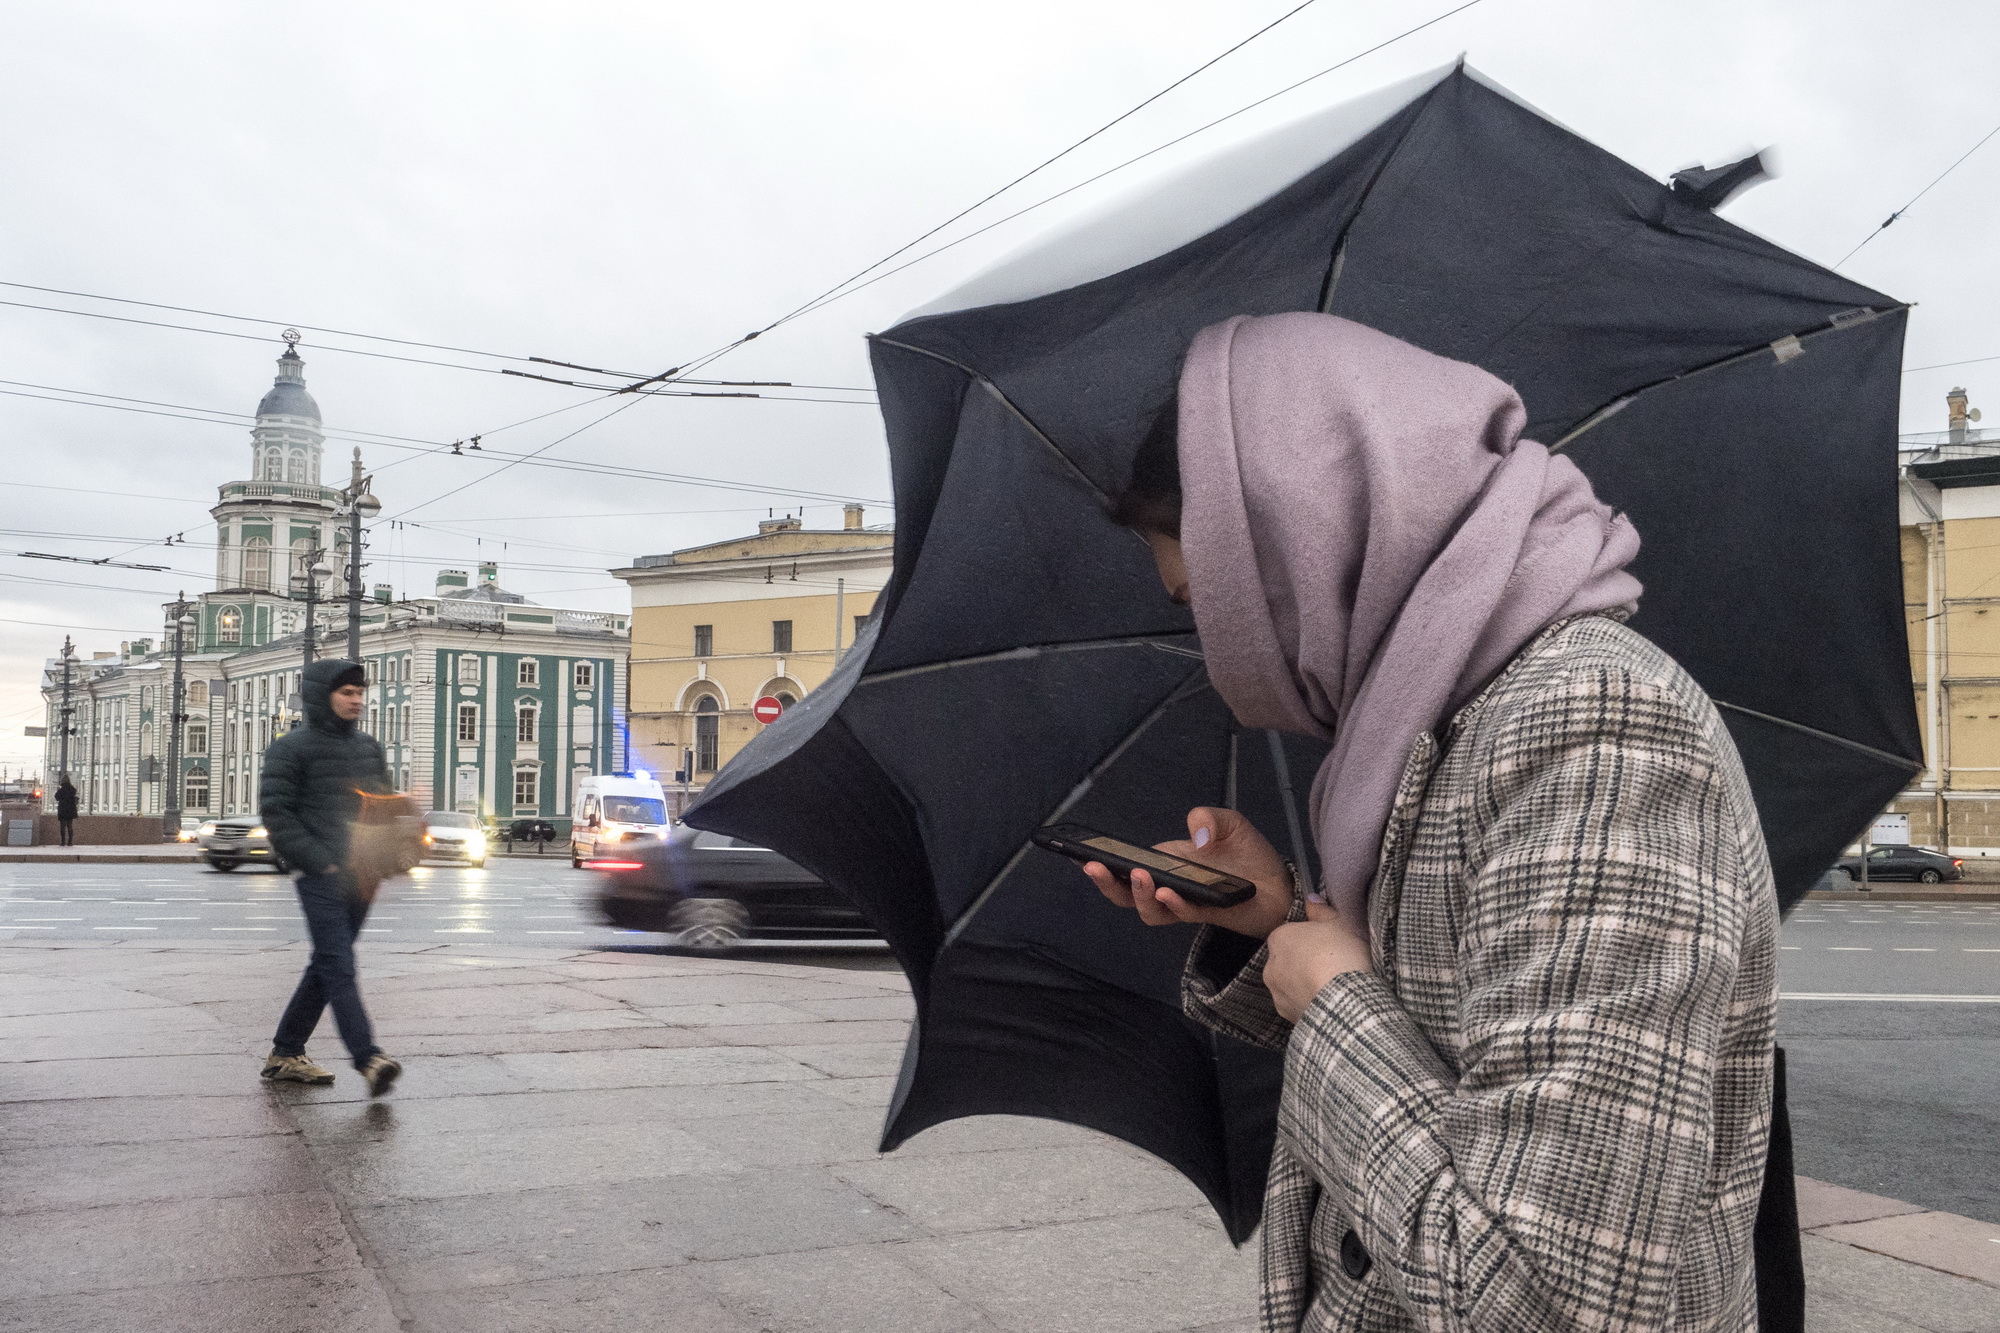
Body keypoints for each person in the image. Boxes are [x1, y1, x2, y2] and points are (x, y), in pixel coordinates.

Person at [1089, 313, 1777, 1332]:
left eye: (1211, 601)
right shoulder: (1439, 724)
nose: (1213, 648)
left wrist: (1330, 1000)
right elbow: (1463, 1053)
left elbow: (1542, 1299)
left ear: (1299, 546)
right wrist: (1279, 918)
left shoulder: (1586, 724)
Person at [258, 658, 402, 1096]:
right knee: (339, 963)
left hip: (363, 874)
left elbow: (381, 805)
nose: (357, 700)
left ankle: (286, 1052)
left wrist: (397, 838)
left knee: (325, 964)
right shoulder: (291, 748)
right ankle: (369, 1058)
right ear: (324, 696)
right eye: (347, 693)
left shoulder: (368, 747)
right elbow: (277, 813)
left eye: (360, 693)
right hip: (320, 873)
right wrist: (319, 860)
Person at [53, 774, 78, 846]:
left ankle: (63, 841)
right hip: (71, 809)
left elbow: (57, 798)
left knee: (62, 826)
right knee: (70, 826)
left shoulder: (61, 790)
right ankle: (70, 842)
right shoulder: (73, 789)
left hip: (63, 809)